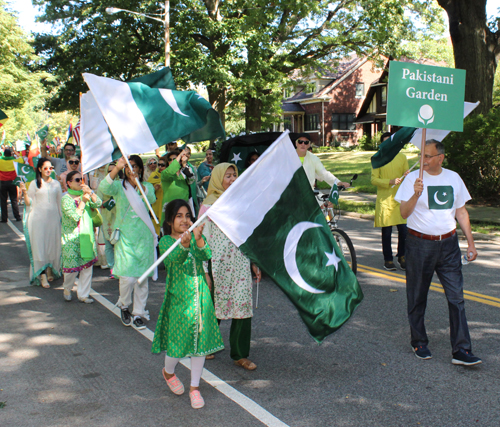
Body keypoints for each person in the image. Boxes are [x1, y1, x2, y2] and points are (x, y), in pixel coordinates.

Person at [395, 139, 481, 366]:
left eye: (427, 156)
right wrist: (415, 194)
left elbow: (461, 212)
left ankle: (462, 350)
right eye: (421, 155)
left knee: (457, 297)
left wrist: (470, 243)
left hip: (449, 245)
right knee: (417, 295)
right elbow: (403, 214)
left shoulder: (453, 178)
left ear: (440, 158)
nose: (422, 160)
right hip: (419, 244)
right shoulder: (413, 179)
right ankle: (419, 342)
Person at [152, 199, 224, 409]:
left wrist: (199, 240)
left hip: (200, 297)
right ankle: (168, 372)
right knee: (176, 347)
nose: (185, 220)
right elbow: (173, 260)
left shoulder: (193, 238)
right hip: (179, 300)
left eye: (188, 216)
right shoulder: (165, 242)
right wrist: (184, 246)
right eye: (179, 216)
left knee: (199, 346)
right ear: (169, 221)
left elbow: (206, 255)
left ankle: (195, 388)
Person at [200, 163, 261, 371]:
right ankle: (206, 344)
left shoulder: (241, 203)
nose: (232, 179)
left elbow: (248, 235)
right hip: (217, 264)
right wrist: (204, 271)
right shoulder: (209, 206)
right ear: (217, 179)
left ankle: (240, 354)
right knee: (216, 305)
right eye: (227, 176)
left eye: (234, 175)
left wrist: (254, 262)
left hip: (240, 263)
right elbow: (201, 239)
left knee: (242, 306)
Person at [98, 155, 157, 330]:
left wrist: (138, 185)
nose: (131, 170)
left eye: (134, 166)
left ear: (140, 169)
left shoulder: (146, 187)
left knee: (142, 278)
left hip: (143, 239)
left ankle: (138, 312)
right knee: (127, 278)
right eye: (128, 167)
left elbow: (151, 199)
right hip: (125, 238)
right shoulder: (118, 187)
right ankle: (124, 305)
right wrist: (117, 167)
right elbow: (103, 187)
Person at [19, 158, 63, 287]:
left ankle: (50, 269)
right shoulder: (34, 183)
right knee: (40, 247)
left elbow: (59, 203)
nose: (48, 170)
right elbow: (29, 203)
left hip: (54, 221)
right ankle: (42, 275)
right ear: (39, 169)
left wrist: (62, 219)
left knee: (52, 246)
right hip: (38, 220)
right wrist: (25, 192)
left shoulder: (56, 184)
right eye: (45, 168)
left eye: (51, 168)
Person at [61, 171, 102, 303]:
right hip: (71, 238)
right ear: (69, 183)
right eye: (78, 180)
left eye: (83, 179)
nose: (81, 182)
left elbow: (99, 203)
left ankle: (83, 294)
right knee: (71, 269)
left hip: (86, 235)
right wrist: (83, 201)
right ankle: (67, 287)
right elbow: (75, 216)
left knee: (87, 267)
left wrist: (90, 193)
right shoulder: (66, 199)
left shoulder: (85, 194)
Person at [371, 132, 409, 271]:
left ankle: (402, 256)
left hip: (400, 199)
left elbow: (407, 175)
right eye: (385, 142)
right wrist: (390, 182)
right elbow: (374, 180)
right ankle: (388, 259)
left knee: (404, 231)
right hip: (385, 200)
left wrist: (407, 176)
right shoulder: (377, 159)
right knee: (387, 232)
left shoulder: (402, 157)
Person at [96, 162, 119, 279]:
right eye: (109, 171)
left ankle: (121, 267)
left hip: (119, 217)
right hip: (107, 218)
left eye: (114, 170)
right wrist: (108, 202)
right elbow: (98, 202)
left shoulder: (121, 184)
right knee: (109, 244)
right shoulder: (102, 184)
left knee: (119, 243)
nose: (112, 173)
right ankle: (112, 268)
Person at [160, 149, 194, 226]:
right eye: (170, 159)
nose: (172, 161)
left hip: (184, 213)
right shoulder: (165, 174)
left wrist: (184, 164)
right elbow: (170, 171)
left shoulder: (184, 174)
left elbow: (192, 179)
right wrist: (180, 155)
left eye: (175, 159)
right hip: (170, 213)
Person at [0, 148, 24, 222]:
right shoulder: (14, 161)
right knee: (14, 200)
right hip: (12, 183)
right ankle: (17, 217)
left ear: (4, 154)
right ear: (11, 154)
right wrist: (16, 153)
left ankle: (4, 218)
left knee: (3, 201)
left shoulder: (0, 161)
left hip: (2, 183)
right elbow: (22, 159)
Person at [147, 158, 165, 236]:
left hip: (166, 203)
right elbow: (147, 192)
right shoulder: (153, 176)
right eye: (159, 165)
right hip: (156, 206)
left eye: (163, 165)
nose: (160, 167)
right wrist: (154, 189)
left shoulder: (169, 176)